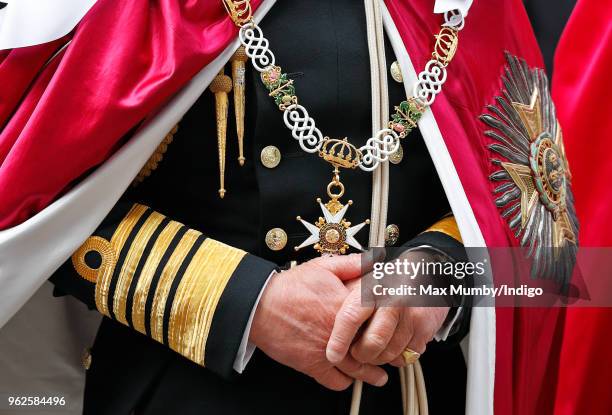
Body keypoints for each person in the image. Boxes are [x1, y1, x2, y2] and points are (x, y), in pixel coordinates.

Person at [0, 1, 579, 414]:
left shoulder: (472, 8)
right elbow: (34, 208)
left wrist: (437, 278)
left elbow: (557, 251)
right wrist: (248, 301)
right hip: (190, 390)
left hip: (410, 391)